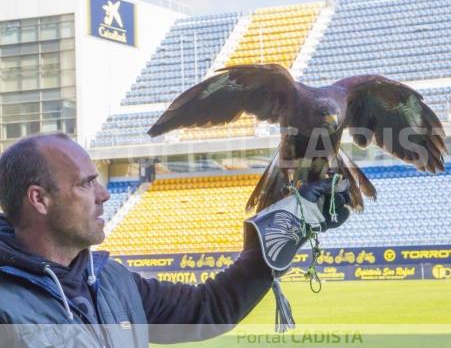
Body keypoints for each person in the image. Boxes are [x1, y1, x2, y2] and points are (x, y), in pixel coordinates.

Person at [0, 133, 351, 347]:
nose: (104, 194)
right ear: (39, 199)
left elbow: (207, 309)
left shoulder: (113, 282)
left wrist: (283, 231)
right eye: (85, 183)